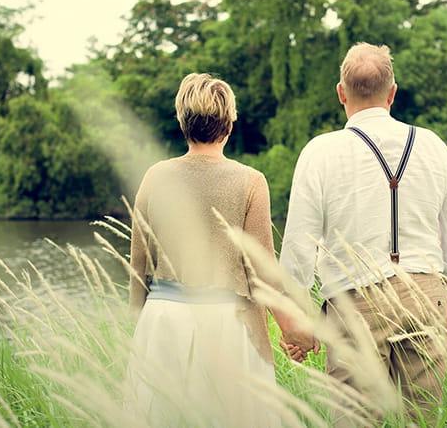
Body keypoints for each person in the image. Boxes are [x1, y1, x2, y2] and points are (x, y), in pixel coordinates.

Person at [279, 43, 447, 423]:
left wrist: (298, 322)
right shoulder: (434, 146)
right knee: (422, 420)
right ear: (392, 92)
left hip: (355, 303)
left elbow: (297, 251)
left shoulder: (321, 152)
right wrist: (436, 278)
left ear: (341, 92)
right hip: (426, 297)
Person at [127, 73, 311, 427]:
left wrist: (142, 331)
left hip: (163, 322)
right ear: (229, 123)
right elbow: (261, 274)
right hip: (230, 326)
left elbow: (139, 269)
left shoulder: (155, 176)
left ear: (183, 122)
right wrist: (295, 330)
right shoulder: (251, 181)